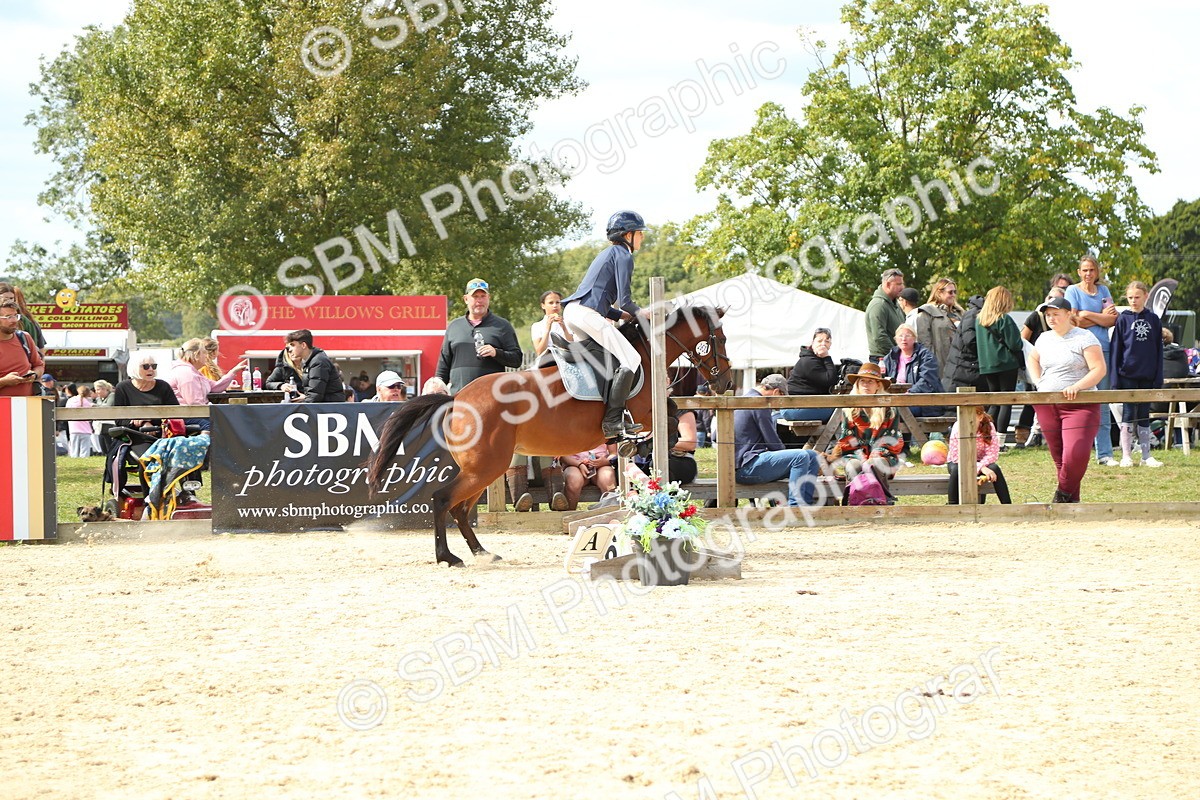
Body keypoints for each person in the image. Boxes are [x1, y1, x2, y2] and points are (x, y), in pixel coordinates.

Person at [561, 211, 651, 440]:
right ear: (628, 234)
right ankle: (612, 421)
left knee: (606, 359)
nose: (642, 238)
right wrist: (641, 313)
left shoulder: (607, 253)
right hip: (586, 315)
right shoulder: (623, 255)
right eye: (640, 233)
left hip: (574, 313)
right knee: (632, 359)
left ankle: (606, 412)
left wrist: (622, 315)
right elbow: (626, 299)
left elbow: (602, 301)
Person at [1026, 298, 1107, 503]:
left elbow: (1099, 369)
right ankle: (1072, 503)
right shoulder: (1044, 338)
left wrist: (1077, 386)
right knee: (1060, 457)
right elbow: (1033, 359)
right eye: (1048, 315)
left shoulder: (1084, 337)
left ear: (1068, 313)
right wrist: (1038, 382)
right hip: (1047, 404)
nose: (1051, 318)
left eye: (1056, 314)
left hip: (1080, 405)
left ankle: (1061, 497)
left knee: (1076, 453)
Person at [734, 374, 822, 506]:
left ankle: (805, 504)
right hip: (747, 468)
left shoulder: (744, 399)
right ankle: (795, 507)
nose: (781, 404)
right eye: (782, 398)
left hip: (741, 466)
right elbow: (773, 442)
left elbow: (714, 436)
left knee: (812, 456)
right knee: (801, 456)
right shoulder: (759, 404)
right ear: (776, 392)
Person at [1065, 256, 1119, 466]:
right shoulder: (1073, 291)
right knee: (1078, 400)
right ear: (1079, 272)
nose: (1088, 274)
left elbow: (1112, 319)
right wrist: (1097, 316)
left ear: (1097, 272)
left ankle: (1104, 453)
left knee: (1102, 402)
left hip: (1103, 349)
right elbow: (1075, 320)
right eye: (1085, 270)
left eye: (1092, 270)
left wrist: (1087, 314)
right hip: (1080, 350)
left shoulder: (1104, 291)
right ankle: (1077, 450)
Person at [826, 363, 905, 505]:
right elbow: (846, 439)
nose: (866, 385)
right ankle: (853, 501)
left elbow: (893, 439)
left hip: (884, 456)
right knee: (853, 466)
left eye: (870, 381)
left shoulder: (890, 409)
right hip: (855, 454)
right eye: (862, 381)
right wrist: (861, 457)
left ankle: (883, 501)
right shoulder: (849, 409)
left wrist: (875, 455)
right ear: (857, 384)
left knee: (875, 464)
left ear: (878, 385)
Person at [1109, 281, 1163, 467]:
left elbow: (1158, 350)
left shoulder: (1154, 319)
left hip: (1147, 374)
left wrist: (1158, 376)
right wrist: (1114, 380)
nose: (1133, 301)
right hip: (1127, 373)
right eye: (1130, 297)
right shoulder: (1122, 319)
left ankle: (1146, 455)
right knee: (1128, 412)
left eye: (1137, 297)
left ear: (1146, 296)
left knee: (1144, 413)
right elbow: (1116, 349)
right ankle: (1126, 455)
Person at [435, 278, 522, 394]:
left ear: (489, 298)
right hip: (459, 397)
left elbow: (517, 360)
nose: (479, 300)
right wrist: (438, 385)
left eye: (483, 296)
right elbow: (444, 363)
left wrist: (496, 353)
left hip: (492, 398)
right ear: (466, 299)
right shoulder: (454, 326)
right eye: (475, 297)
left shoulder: (502, 326)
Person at [1015, 287, 1067, 448]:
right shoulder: (1036, 317)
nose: (1052, 301)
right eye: (1050, 297)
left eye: (1056, 299)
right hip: (1038, 363)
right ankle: (1024, 436)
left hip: (1058, 366)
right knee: (1033, 399)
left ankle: (1045, 435)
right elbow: (1022, 340)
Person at [975, 286, 1023, 440]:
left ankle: (986, 436)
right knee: (1006, 401)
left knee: (993, 402)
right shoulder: (1004, 319)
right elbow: (1015, 344)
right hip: (1006, 364)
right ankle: (1000, 439)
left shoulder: (979, 320)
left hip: (987, 365)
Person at [166, 338, 246, 427]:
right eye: (204, 352)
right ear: (196, 355)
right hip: (187, 417)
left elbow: (215, 387)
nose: (206, 355)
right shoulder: (187, 374)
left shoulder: (193, 372)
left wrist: (233, 371)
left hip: (193, 415)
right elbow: (196, 405)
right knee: (225, 424)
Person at [947, 407, 1013, 504]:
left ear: (980, 417)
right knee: (957, 470)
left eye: (972, 419)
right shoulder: (957, 427)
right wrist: (981, 468)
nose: (968, 423)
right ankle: (952, 505)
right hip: (960, 462)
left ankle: (1007, 506)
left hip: (982, 461)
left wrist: (980, 466)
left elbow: (992, 454)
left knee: (994, 468)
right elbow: (956, 456)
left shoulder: (989, 427)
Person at [777, 328, 838, 424]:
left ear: (830, 345)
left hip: (796, 407)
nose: (823, 344)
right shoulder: (809, 361)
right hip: (794, 409)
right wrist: (827, 357)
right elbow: (830, 379)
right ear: (812, 343)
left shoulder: (815, 359)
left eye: (827, 341)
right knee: (842, 410)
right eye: (819, 341)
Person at [882, 324, 944, 416]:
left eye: (907, 335)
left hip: (923, 404)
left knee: (893, 413)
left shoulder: (926, 356)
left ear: (914, 338)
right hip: (896, 401)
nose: (904, 339)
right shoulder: (889, 358)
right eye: (900, 336)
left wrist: (910, 393)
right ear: (895, 339)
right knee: (878, 410)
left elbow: (928, 380)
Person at [913, 278, 963, 385]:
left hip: (959, 364)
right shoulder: (926, 312)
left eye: (955, 292)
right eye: (950, 292)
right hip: (939, 364)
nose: (953, 295)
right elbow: (924, 343)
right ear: (939, 292)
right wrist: (931, 366)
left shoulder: (959, 313)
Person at [111, 354, 180, 431]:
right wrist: (143, 423)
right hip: (132, 434)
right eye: (146, 366)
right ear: (134, 368)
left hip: (160, 433)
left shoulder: (163, 386)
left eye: (154, 366)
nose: (151, 369)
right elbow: (119, 419)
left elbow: (175, 413)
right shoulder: (122, 387)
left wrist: (149, 421)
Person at [285, 329, 345, 403]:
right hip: (326, 408)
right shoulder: (311, 361)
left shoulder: (318, 362)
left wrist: (302, 402)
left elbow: (315, 396)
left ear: (303, 345)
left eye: (293, 345)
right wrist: (305, 398)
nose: (289, 350)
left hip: (329, 409)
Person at [943, 293, 987, 391]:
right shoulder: (973, 314)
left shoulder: (976, 314)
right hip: (963, 370)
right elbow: (970, 341)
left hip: (967, 369)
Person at [0, 299, 43, 397]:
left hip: (26, 407)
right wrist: (4, 381)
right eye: (8, 317)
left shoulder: (24, 338)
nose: (14, 320)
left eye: (16, 315)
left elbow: (39, 366)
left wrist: (34, 374)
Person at [560, 443, 618, 511]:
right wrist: (579, 464)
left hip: (601, 464)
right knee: (573, 479)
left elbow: (614, 453)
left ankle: (611, 513)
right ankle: (568, 513)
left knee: (608, 477)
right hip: (574, 464)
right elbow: (561, 455)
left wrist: (606, 461)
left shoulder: (607, 432)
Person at [865, 268, 906, 362]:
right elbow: (879, 337)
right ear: (888, 284)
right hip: (883, 359)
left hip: (893, 357)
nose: (902, 287)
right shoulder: (878, 305)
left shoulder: (895, 304)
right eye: (899, 284)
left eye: (902, 284)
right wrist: (897, 354)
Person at [0, 282, 46, 356]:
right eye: (4, 298)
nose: (8, 301)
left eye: (11, 298)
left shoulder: (24, 321)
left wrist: (38, 366)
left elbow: (38, 352)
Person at [531, 290, 572, 356]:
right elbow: (540, 352)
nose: (555, 305)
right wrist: (547, 329)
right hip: (548, 361)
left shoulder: (568, 323)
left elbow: (573, 346)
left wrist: (564, 328)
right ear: (543, 305)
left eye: (557, 302)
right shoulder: (537, 326)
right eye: (551, 303)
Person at [65, 385, 96, 457]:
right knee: (85, 451)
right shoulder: (88, 403)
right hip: (86, 430)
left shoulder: (71, 400)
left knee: (74, 450)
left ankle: (74, 463)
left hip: (73, 429)